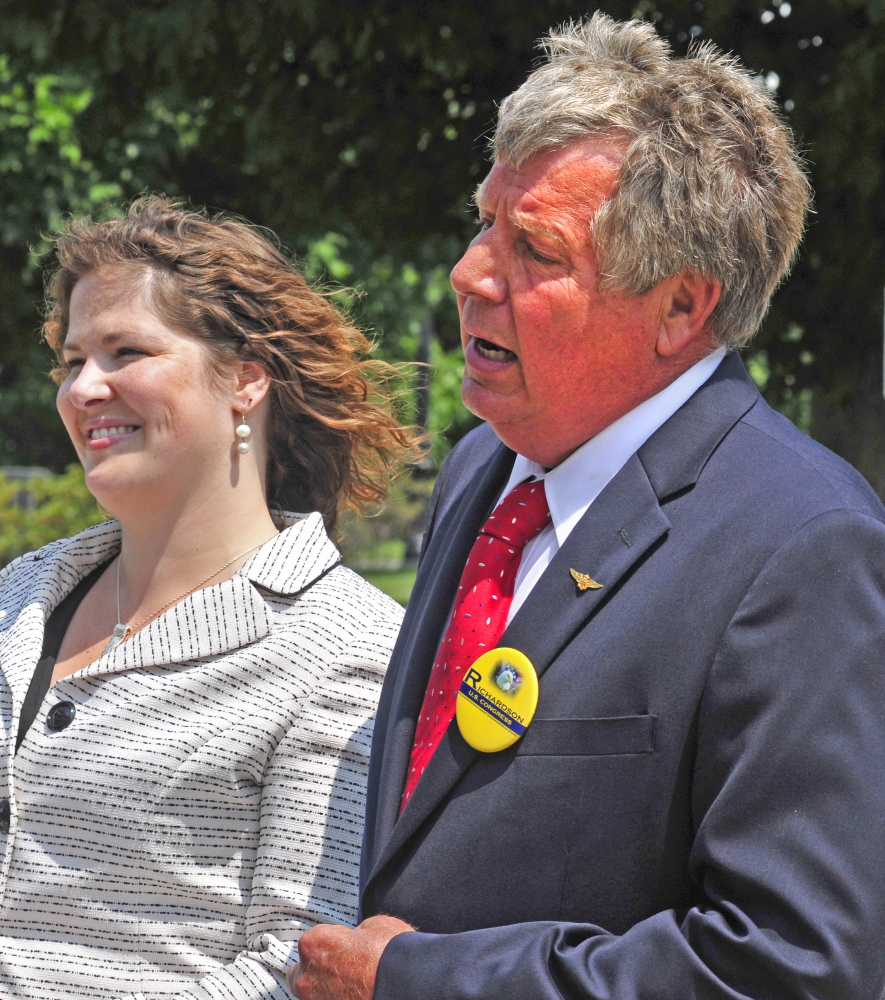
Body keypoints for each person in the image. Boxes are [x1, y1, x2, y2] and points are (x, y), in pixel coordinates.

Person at [289, 14, 885, 1000]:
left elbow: (796, 966)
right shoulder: (483, 467)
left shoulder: (807, 547)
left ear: (681, 308)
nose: (470, 273)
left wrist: (421, 982)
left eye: (534, 249)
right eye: (485, 221)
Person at [0, 197, 415, 999]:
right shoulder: (19, 597)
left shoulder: (347, 648)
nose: (84, 388)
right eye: (73, 360)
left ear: (246, 380)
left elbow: (298, 966)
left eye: (126, 351)